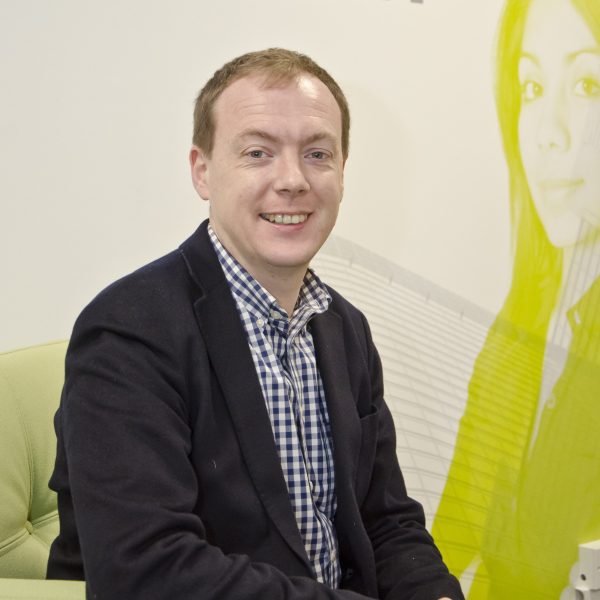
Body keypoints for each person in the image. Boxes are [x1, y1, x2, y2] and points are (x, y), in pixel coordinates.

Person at [46, 48, 463, 600]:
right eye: (258, 153)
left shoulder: (344, 329)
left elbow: (385, 521)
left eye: (317, 153)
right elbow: (147, 570)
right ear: (202, 171)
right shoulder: (128, 331)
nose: (292, 180)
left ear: (342, 173)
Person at [432, 0, 600, 598]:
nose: (549, 132)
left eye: (586, 84)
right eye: (532, 87)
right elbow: (456, 530)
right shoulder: (521, 320)